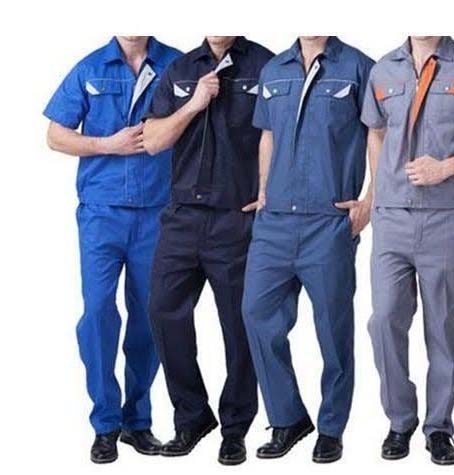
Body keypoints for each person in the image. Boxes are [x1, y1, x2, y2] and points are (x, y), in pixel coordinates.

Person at [361, 36, 454, 465]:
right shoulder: (383, 69)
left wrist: (446, 167)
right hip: (392, 217)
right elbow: (376, 132)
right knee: (384, 319)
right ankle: (400, 421)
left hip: (448, 216)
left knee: (443, 326)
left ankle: (439, 427)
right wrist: (377, 195)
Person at [143, 36, 280, 465]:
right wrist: (193, 104)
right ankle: (192, 417)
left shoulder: (266, 66)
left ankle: (235, 428)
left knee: (239, 327)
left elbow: (280, 133)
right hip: (182, 216)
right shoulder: (181, 69)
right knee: (162, 312)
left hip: (237, 217)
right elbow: (153, 140)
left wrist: (268, 193)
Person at [44, 36, 182, 463]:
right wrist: (108, 144)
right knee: (98, 313)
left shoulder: (176, 64)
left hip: (158, 212)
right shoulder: (90, 68)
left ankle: (137, 422)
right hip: (101, 213)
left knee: (149, 318)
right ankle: (105, 424)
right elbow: (55, 135)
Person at [242, 36, 374, 463]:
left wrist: (370, 201)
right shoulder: (274, 69)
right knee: (256, 314)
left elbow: (380, 135)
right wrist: (263, 191)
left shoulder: (359, 67)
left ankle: (331, 428)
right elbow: (267, 135)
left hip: (328, 220)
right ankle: (287, 418)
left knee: (333, 329)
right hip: (275, 221)